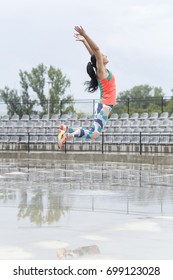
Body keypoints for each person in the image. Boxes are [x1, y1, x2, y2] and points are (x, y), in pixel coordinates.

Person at [57, 25, 116, 150]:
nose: (105, 56)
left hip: (103, 105)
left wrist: (84, 41)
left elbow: (93, 55)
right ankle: (67, 135)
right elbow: (96, 51)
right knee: (94, 134)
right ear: (100, 60)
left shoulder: (102, 70)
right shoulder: (101, 72)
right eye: (103, 55)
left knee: (93, 132)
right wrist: (86, 34)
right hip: (105, 106)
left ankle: (65, 129)